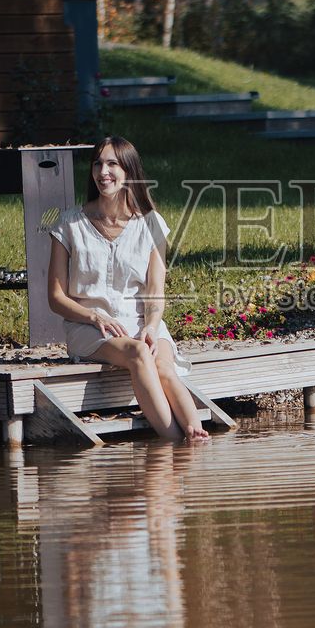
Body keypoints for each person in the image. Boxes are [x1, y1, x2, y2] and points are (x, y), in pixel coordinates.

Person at [46, 136, 209, 442]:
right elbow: (56, 298)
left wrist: (150, 325)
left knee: (161, 361)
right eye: (98, 163)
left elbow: (155, 291)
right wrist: (94, 317)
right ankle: (174, 442)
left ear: (129, 171)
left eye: (112, 164)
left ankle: (195, 435)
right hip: (89, 328)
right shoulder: (69, 224)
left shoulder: (151, 224)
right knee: (137, 353)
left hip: (141, 320)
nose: (102, 171)